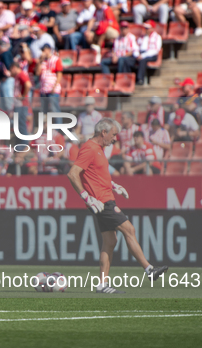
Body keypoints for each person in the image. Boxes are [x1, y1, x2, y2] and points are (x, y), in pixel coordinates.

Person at [67, 119, 168, 294]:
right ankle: (149, 269)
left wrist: (114, 185)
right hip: (102, 202)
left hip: (106, 197)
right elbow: (73, 173)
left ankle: (102, 284)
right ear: (103, 132)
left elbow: (97, 174)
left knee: (110, 241)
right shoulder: (90, 148)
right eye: (113, 134)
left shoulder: (98, 149)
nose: (115, 139)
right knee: (129, 229)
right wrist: (87, 197)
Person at [36, 43, 62, 115]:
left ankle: (58, 126)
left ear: (49, 50)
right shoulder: (42, 61)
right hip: (43, 89)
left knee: (55, 110)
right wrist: (40, 61)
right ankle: (46, 125)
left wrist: (54, 87)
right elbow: (37, 73)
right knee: (44, 111)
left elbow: (59, 74)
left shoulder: (56, 59)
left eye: (44, 50)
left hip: (52, 89)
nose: (43, 52)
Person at [135, 20, 162, 85]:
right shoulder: (142, 37)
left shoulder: (157, 37)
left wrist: (143, 55)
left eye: (147, 28)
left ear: (152, 28)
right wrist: (136, 54)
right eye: (145, 28)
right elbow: (136, 47)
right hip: (141, 53)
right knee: (127, 60)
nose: (146, 30)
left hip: (151, 55)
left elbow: (155, 50)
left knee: (143, 60)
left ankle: (140, 79)